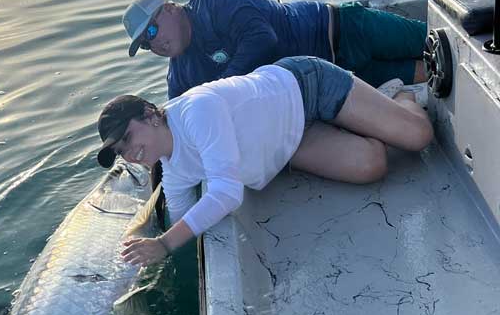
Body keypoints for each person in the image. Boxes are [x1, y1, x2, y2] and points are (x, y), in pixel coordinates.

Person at [94, 55, 433, 265]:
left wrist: (164, 245)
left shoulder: (196, 110)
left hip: (306, 86)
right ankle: (359, 117)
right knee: (371, 165)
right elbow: (183, 220)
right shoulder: (173, 168)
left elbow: (226, 195)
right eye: (121, 151)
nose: (130, 152)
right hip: (291, 141)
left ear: (151, 115)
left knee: (419, 137)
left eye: (128, 138)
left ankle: (399, 96)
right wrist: (147, 256)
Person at [123, 0, 428, 98]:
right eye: (146, 45)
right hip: (337, 79)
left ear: (171, 8)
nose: (155, 43)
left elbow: (262, 39)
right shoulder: (181, 74)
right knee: (427, 71)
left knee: (436, 41)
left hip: (341, 29)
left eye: (151, 30)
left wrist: (216, 90)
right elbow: (177, 120)